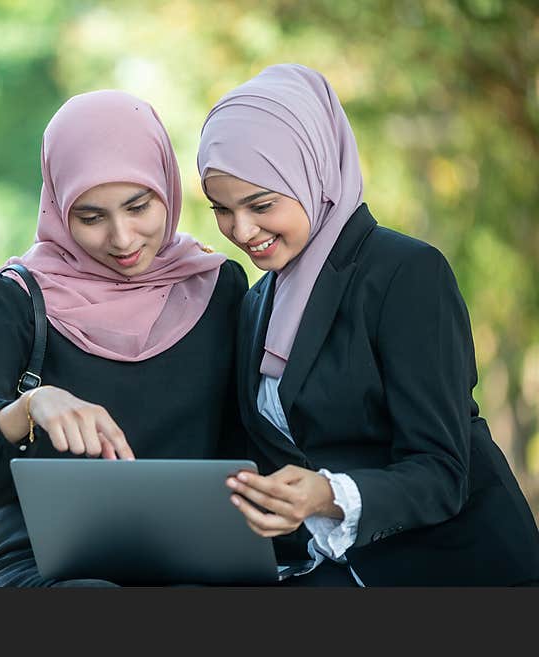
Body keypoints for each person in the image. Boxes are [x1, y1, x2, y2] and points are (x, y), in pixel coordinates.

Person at [197, 63, 539, 586]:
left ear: (313, 174)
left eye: (261, 204)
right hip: (325, 573)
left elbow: (442, 471)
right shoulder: (257, 301)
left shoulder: (405, 273)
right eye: (221, 209)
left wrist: (329, 494)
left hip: (452, 571)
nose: (241, 231)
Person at [0, 90, 248, 587]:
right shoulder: (18, 297)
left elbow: (248, 441)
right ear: (58, 206)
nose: (122, 238)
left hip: (187, 561)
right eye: (91, 217)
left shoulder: (217, 286)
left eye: (139, 207)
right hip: (44, 568)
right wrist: (28, 408)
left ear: (166, 186)